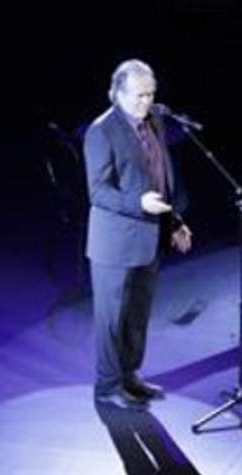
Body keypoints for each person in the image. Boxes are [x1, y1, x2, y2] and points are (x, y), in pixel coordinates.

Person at [85, 58, 193, 409]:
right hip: (114, 244)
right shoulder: (101, 131)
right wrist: (138, 203)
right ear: (116, 93)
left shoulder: (155, 122)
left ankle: (130, 376)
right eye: (138, 96)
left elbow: (161, 177)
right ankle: (107, 386)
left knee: (136, 317)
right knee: (112, 320)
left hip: (150, 239)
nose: (145, 103)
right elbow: (98, 192)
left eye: (150, 95)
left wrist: (174, 221)